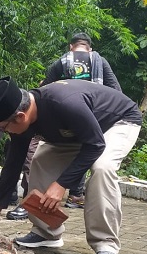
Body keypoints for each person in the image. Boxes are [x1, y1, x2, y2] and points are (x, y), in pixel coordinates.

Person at [0, 77, 142, 254]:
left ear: (20, 116)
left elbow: (95, 145)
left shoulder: (64, 103)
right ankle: (46, 232)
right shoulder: (24, 120)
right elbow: (13, 163)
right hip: (75, 132)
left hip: (114, 123)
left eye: (4, 128)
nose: (5, 132)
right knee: (40, 160)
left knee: (102, 168)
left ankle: (106, 244)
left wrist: (61, 184)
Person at [42, 32, 123, 209]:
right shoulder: (100, 61)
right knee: (88, 151)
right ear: (89, 47)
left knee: (73, 150)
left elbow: (45, 90)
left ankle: (73, 193)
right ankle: (76, 195)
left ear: (71, 46)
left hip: (67, 113)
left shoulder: (61, 62)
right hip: (95, 114)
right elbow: (115, 91)